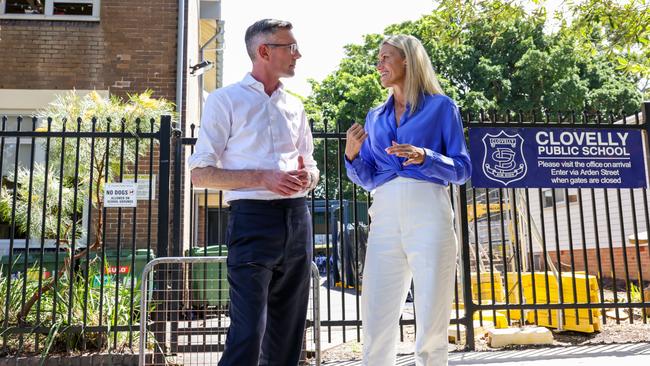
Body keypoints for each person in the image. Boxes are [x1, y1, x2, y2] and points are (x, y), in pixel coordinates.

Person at [188, 19, 319, 366]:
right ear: (264, 51)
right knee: (248, 333)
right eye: (290, 47)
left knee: (289, 334)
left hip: (298, 218)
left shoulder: (296, 106)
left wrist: (309, 178)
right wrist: (263, 178)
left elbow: (312, 164)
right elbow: (199, 174)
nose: (298, 54)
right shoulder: (224, 100)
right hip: (252, 220)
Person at [344, 34, 471, 366]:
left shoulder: (442, 108)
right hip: (383, 217)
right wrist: (352, 157)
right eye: (379, 58)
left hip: (429, 212)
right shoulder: (375, 116)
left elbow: (462, 169)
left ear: (408, 61)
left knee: (431, 316)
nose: (379, 64)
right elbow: (370, 177)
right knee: (376, 316)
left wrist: (425, 156)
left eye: (386, 57)